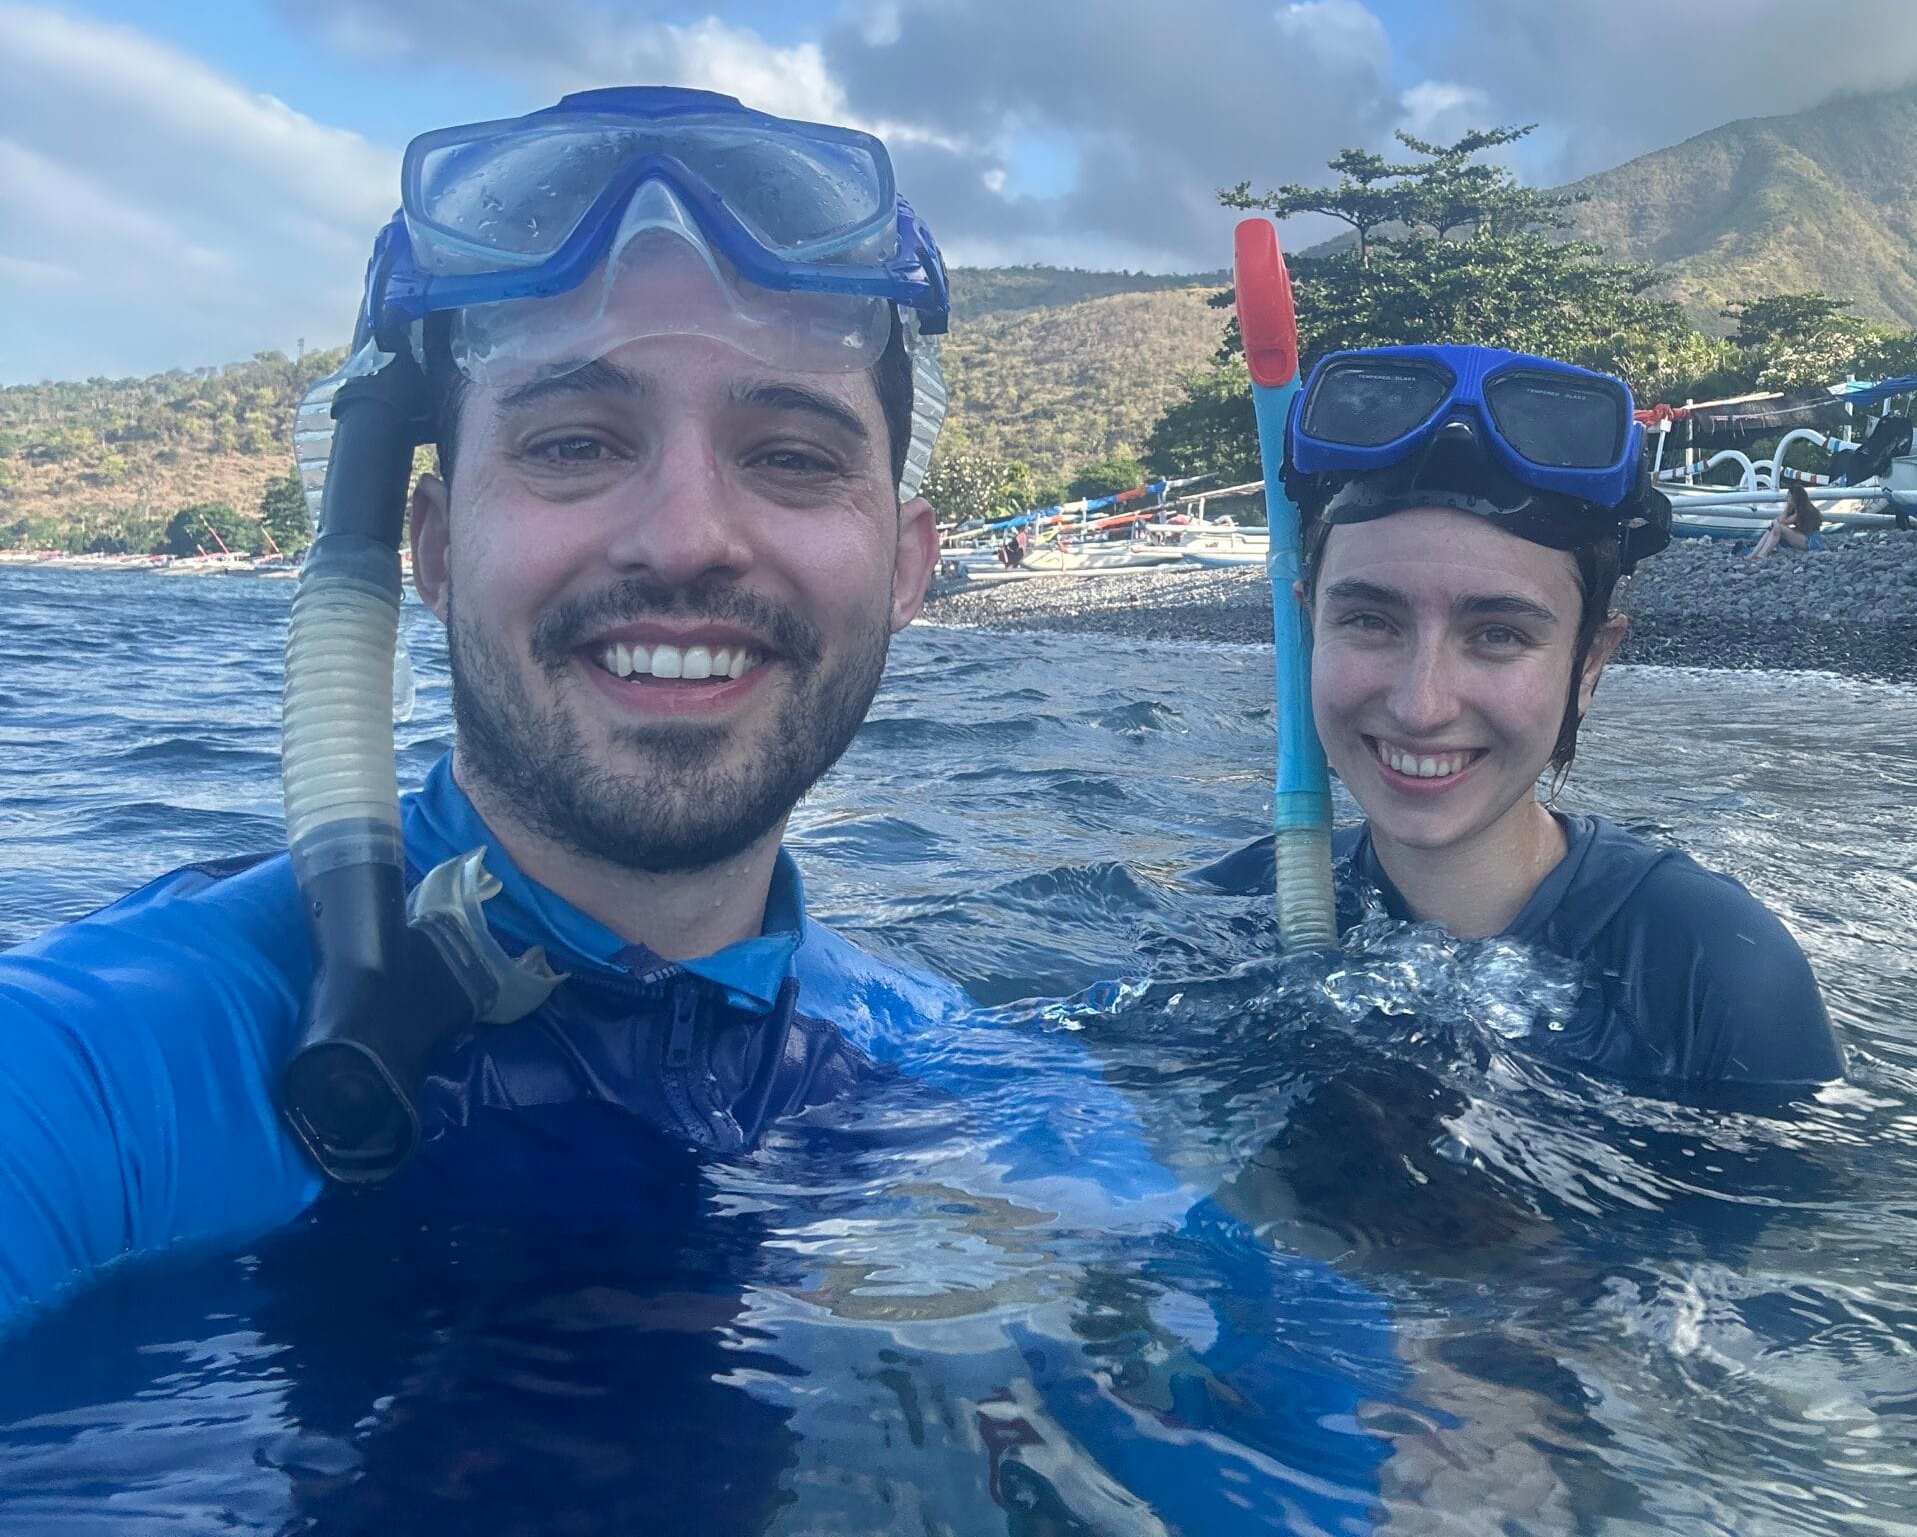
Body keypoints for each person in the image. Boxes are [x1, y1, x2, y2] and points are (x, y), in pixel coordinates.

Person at [0, 88, 1397, 1530]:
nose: (684, 537)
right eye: (573, 443)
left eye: (790, 456)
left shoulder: (965, 1084)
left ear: (908, 567)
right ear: (429, 546)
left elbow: (1319, 1435)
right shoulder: (115, 1071)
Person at [1201, 343, 1841, 1098]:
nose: (1420, 706)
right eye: (1370, 620)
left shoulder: (1714, 971)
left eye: (1499, 634)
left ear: (1589, 663)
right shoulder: (1231, 910)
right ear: (1309, 629)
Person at [1748, 480, 1825, 558]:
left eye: (1789, 497)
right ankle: (1756, 553)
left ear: (1795, 498)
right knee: (1773, 528)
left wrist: (1786, 509)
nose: (1786, 499)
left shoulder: (1801, 512)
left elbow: (1781, 522)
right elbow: (1779, 522)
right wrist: (1778, 519)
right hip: (1805, 538)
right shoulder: (1798, 509)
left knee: (1777, 527)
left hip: (1810, 542)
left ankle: (1760, 554)